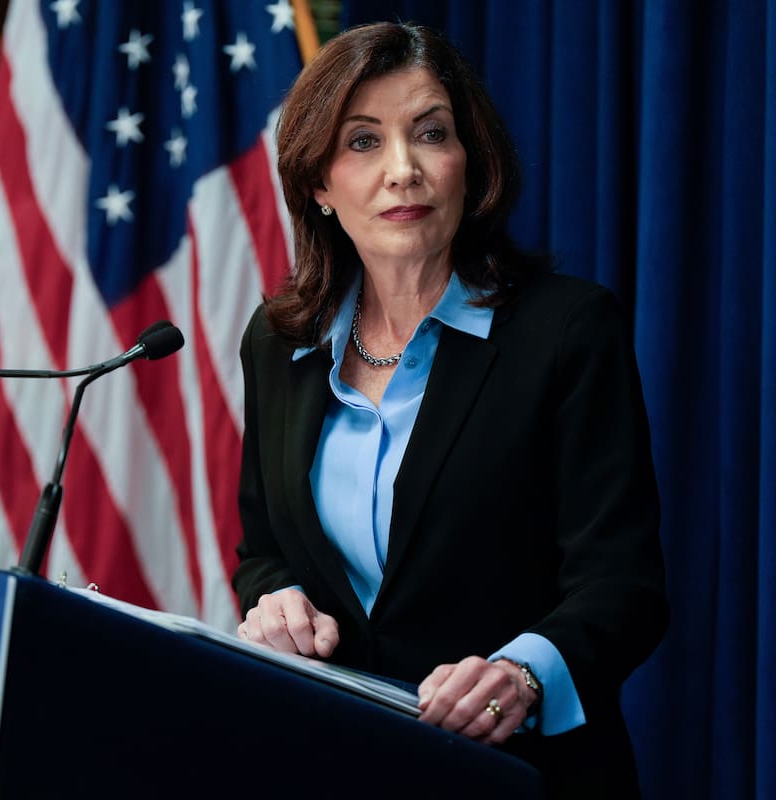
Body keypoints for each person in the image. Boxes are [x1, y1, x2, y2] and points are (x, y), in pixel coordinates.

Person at [233, 21, 668, 799]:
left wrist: (523, 675)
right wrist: (275, 604)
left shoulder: (566, 331)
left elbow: (624, 585)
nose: (403, 171)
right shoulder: (278, 343)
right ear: (318, 187)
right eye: (363, 142)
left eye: (430, 134)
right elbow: (263, 547)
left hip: (518, 772)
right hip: (331, 761)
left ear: (472, 165)